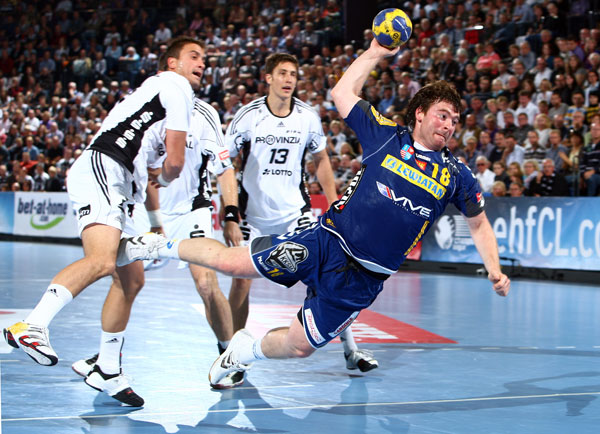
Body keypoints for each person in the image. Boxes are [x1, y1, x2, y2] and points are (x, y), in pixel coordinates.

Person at [116, 39, 510, 386]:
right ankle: (156, 246)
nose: (449, 125)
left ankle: (242, 352)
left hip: (363, 280)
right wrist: (375, 51)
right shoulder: (386, 135)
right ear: (420, 113)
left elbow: (478, 224)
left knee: (298, 346)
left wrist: (493, 268)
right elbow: (342, 92)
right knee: (233, 264)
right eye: (443, 114)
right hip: (325, 242)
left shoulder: (457, 174)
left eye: (455, 120)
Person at [4, 37, 204, 373]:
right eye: (194, 56)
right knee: (100, 260)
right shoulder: (176, 86)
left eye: (204, 58)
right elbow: (174, 164)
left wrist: (155, 223)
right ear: (172, 63)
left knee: (132, 279)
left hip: (121, 181)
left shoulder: (154, 107)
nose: (202, 63)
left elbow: (148, 179)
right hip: (107, 166)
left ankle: (107, 368)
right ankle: (32, 325)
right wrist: (168, 178)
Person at [71, 95, 243, 404]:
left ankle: (229, 356)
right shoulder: (140, 107)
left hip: (191, 209)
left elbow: (224, 168)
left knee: (206, 284)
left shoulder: (204, 113)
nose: (199, 70)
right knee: (125, 282)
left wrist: (230, 213)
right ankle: (106, 358)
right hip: (145, 209)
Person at [224, 53, 377, 388]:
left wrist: (335, 201)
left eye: (293, 74)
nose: (288, 79)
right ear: (268, 78)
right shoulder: (248, 116)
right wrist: (230, 211)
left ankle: (351, 350)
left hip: (296, 213)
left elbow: (321, 159)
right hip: (254, 216)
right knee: (241, 281)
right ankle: (232, 352)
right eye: (282, 73)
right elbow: (225, 163)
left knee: (329, 275)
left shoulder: (307, 116)